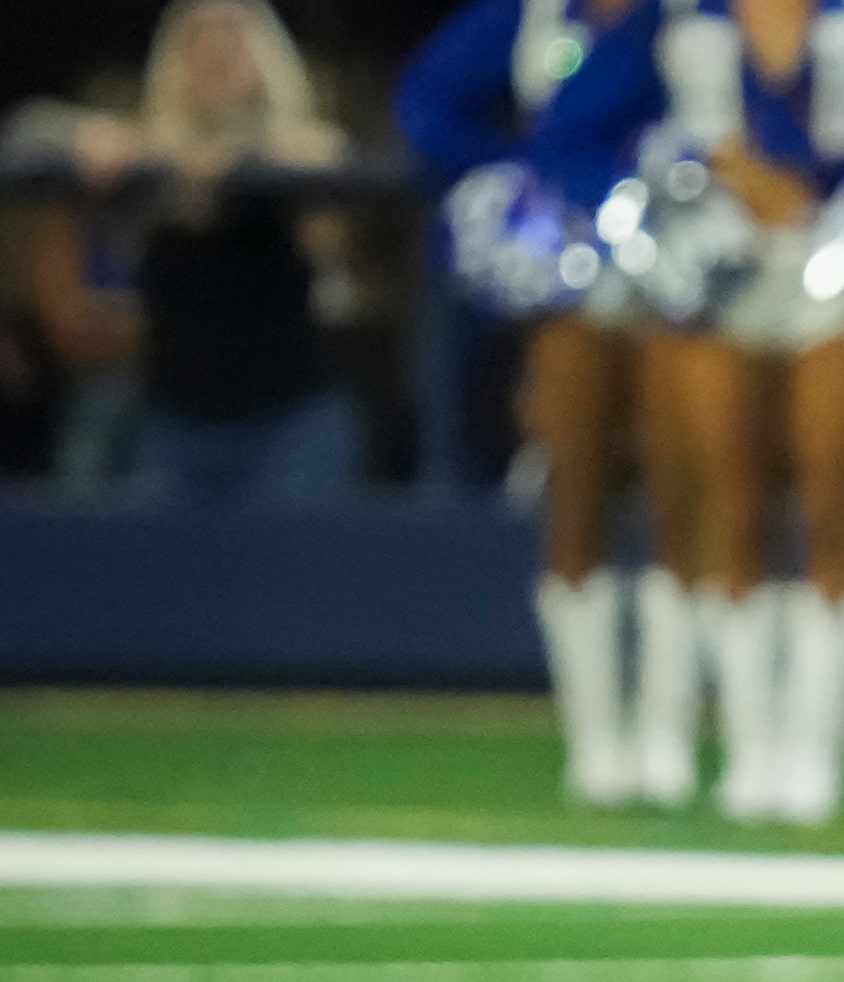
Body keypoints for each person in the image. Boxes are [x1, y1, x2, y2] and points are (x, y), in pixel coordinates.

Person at [540, 0, 844, 824]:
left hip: (835, 265)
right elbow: (567, 133)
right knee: (724, 507)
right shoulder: (674, 17)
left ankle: (813, 752)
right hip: (713, 268)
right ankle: (748, 748)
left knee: (833, 508)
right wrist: (673, 190)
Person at [401, 0, 708, 810]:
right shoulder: (529, 15)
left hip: (686, 272)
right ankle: (595, 734)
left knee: (686, 495)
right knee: (576, 494)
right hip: (572, 275)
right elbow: (426, 103)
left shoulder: (697, 17)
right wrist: (514, 165)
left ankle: (665, 730)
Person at [27, 1, 362, 502]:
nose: (215, 51)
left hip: (290, 425)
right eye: (199, 38)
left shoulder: (292, 150)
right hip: (174, 424)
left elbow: (330, 157)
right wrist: (94, 141)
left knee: (285, 574)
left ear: (264, 58)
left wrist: (231, 162)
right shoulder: (143, 158)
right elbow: (27, 130)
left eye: (232, 36)